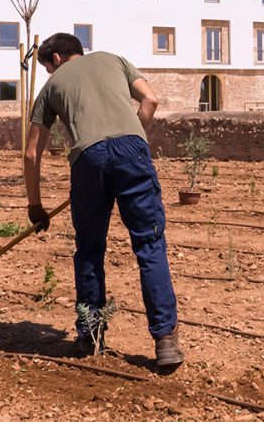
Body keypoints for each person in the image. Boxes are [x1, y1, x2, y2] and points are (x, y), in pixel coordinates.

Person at [23, 33, 183, 371]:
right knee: (150, 244)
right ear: (77, 52)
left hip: (87, 159)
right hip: (132, 152)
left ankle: (91, 335)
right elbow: (150, 100)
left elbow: (31, 152)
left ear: (54, 61)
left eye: (49, 68)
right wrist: (130, 140)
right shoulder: (115, 59)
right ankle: (165, 341)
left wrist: (35, 206)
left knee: (90, 250)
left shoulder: (51, 88)